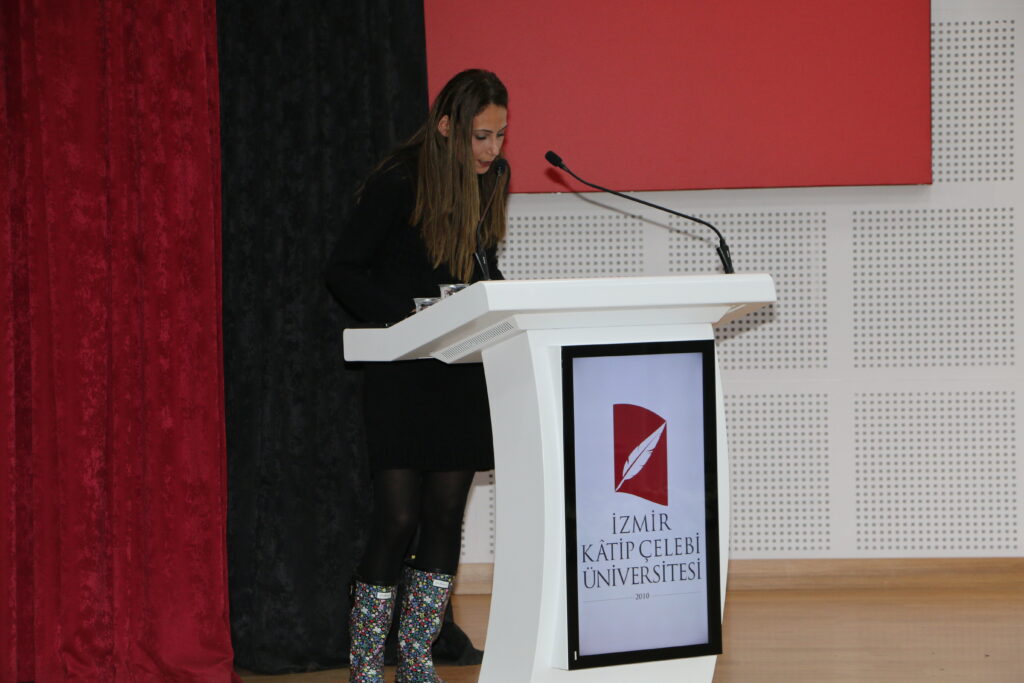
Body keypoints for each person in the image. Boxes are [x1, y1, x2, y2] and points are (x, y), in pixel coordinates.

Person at [325, 69, 509, 683]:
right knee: (398, 517)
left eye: (500, 136)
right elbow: (343, 270)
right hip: (402, 368)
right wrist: (408, 320)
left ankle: (417, 657)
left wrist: (503, 306)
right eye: (481, 136)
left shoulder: (492, 181)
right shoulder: (399, 182)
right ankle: (365, 665)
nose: (492, 151)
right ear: (446, 127)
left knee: (446, 514)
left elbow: (480, 269)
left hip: (460, 370)